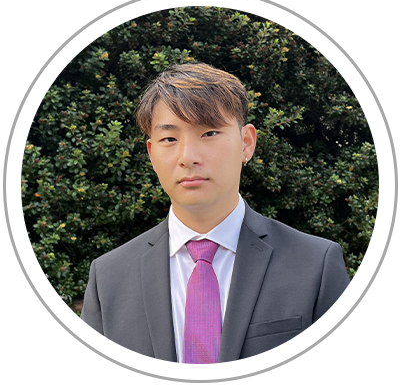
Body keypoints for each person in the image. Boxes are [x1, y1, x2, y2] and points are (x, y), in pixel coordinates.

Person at [73, 62, 371, 365]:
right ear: (151, 153)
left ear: (246, 143)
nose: (188, 157)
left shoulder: (315, 266)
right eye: (169, 139)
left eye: (209, 132)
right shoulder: (109, 277)